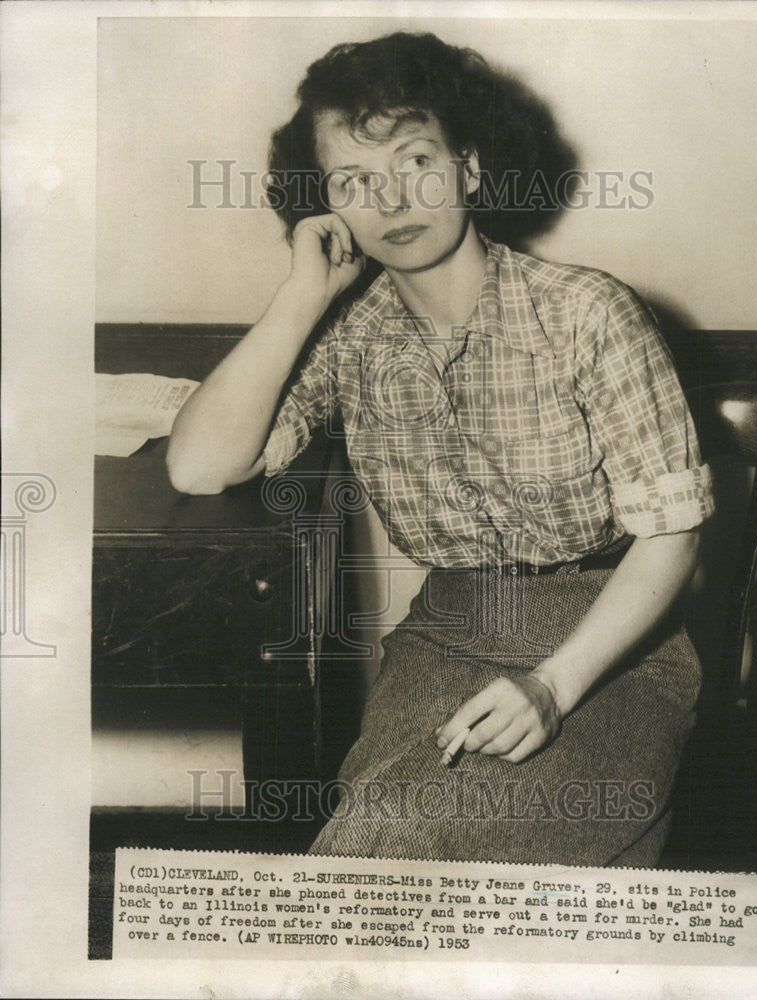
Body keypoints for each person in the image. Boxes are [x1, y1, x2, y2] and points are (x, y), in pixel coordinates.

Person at [167, 32, 715, 867]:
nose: (391, 200)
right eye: (353, 180)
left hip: (614, 646)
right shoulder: (351, 336)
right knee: (376, 830)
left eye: (416, 160)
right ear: (326, 205)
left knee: (406, 835)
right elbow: (200, 467)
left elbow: (672, 537)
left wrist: (551, 686)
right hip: (444, 635)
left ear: (471, 165)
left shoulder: (587, 312)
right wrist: (299, 294)